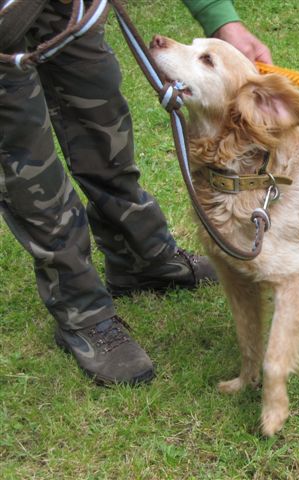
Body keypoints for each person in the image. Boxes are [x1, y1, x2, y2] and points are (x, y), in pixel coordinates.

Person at [0, 0, 271, 385]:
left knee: (103, 126)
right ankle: (81, 309)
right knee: (26, 160)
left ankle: (140, 259)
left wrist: (221, 20)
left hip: (70, 7)